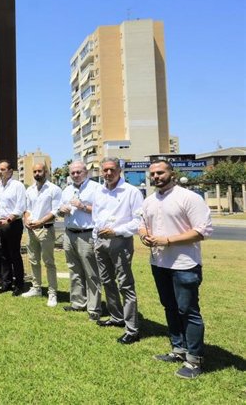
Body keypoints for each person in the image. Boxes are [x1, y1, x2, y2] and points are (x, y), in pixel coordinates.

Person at [140, 160, 213, 379]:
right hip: (159, 263)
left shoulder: (189, 198)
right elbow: (142, 222)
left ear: (171, 173)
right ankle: (178, 349)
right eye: (152, 174)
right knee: (169, 307)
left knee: (188, 310)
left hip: (184, 264)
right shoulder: (150, 200)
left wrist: (168, 240)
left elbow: (202, 230)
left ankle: (195, 359)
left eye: (160, 172)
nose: (156, 177)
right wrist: (144, 235)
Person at [92, 157, 144, 345]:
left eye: (111, 170)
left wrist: (116, 231)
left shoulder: (132, 192)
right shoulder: (100, 191)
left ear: (119, 170)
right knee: (106, 281)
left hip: (120, 242)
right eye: (104, 170)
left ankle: (132, 329)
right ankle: (116, 316)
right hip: (100, 242)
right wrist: (95, 238)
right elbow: (96, 217)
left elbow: (139, 221)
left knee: (125, 285)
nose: (108, 173)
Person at [58, 161, 102, 320]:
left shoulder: (96, 188)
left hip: (87, 234)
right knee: (74, 269)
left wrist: (83, 206)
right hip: (70, 233)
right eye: (73, 173)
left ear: (86, 172)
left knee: (91, 272)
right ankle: (77, 303)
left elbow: (101, 211)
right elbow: (60, 209)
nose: (75, 175)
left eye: (79, 172)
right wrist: (61, 210)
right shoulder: (67, 190)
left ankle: (94, 308)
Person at [22, 163, 62, 307]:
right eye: (35, 171)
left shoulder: (54, 189)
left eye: (40, 171)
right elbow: (26, 208)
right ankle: (36, 288)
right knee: (33, 260)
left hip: (45, 228)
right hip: (31, 229)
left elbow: (55, 211)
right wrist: (26, 220)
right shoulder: (30, 190)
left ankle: (52, 293)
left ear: (46, 172)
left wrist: (40, 222)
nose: (37, 173)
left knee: (49, 262)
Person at [0, 160, 27, 296]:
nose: (0, 172)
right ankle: (6, 282)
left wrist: (9, 219)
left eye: (3, 169)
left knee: (14, 254)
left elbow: (21, 206)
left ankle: (19, 284)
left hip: (13, 224)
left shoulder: (18, 186)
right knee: (3, 255)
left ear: (10, 171)